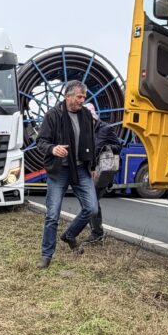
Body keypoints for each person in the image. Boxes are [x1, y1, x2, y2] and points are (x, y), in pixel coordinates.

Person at [35, 80, 98, 269]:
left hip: (80, 168)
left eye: (84, 97)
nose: (82, 100)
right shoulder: (53, 115)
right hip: (59, 170)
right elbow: (41, 142)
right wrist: (53, 149)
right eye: (79, 97)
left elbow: (91, 141)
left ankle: (70, 235)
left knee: (92, 208)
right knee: (52, 215)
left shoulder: (86, 114)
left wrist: (92, 165)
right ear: (68, 96)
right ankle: (46, 255)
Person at [84, 103, 122, 245]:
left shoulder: (106, 129)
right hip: (88, 170)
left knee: (91, 201)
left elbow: (118, 146)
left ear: (93, 116)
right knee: (89, 202)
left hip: (102, 172)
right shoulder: (84, 130)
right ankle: (96, 232)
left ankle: (97, 233)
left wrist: (108, 147)